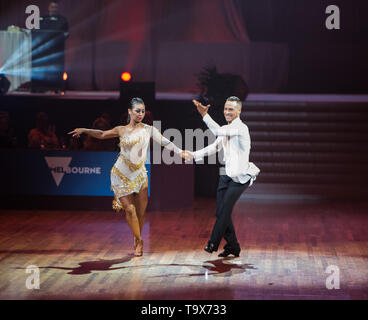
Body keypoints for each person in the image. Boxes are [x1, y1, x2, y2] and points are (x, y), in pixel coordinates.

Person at [69, 98, 191, 257]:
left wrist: (179, 151)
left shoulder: (148, 130)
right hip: (121, 174)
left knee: (141, 212)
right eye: (137, 111)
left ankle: (136, 237)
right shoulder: (121, 130)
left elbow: (165, 142)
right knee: (130, 210)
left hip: (139, 174)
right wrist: (85, 129)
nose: (140, 114)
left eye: (142, 111)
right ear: (129, 111)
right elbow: (102, 134)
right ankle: (139, 239)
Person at [189, 97, 260, 257]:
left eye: (231, 109)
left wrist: (204, 115)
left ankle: (212, 243)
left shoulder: (241, 128)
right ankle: (233, 246)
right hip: (226, 176)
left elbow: (217, 131)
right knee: (220, 212)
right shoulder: (227, 129)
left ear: (239, 111)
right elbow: (214, 147)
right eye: (226, 109)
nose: (227, 112)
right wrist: (193, 155)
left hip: (240, 178)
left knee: (224, 211)